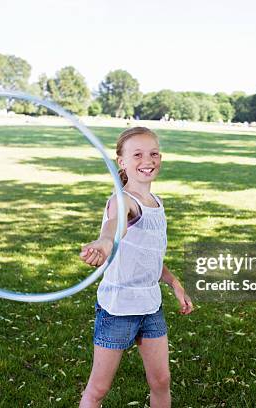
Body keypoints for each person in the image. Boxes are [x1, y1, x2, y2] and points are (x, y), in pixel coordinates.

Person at [78, 127, 193, 408]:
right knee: (98, 389)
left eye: (153, 154)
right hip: (118, 308)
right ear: (122, 162)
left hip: (150, 306)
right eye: (138, 154)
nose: (147, 160)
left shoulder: (156, 203)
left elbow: (149, 255)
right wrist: (106, 243)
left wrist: (174, 282)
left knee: (162, 381)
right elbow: (114, 225)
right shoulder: (124, 200)